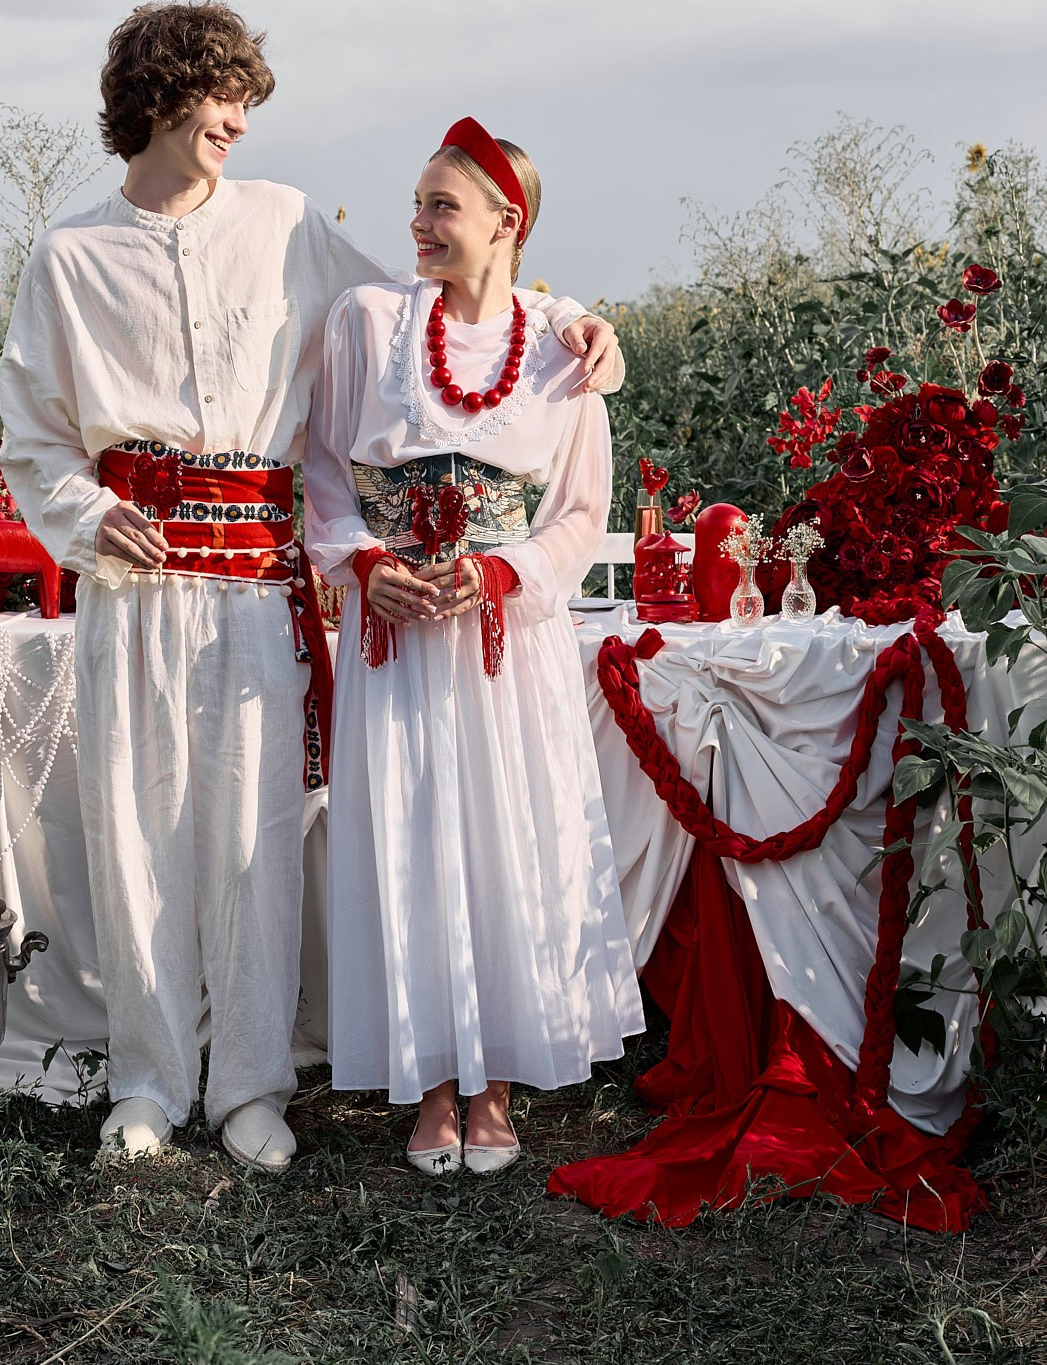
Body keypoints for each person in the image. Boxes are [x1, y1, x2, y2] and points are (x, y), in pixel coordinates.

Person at [0, 3, 621, 1173]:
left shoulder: (285, 223)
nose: (239, 118)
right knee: (136, 831)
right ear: (159, 98)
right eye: (219, 95)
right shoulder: (67, 256)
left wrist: (583, 324)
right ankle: (142, 1080)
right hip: (134, 588)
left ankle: (247, 1085)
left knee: (253, 838)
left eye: (245, 97)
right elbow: (32, 437)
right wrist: (84, 518)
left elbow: (430, 305)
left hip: (254, 588)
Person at [304, 118, 644, 1174]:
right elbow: (320, 473)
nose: (417, 223)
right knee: (406, 837)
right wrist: (363, 565)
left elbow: (581, 512)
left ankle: (492, 1081)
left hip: (504, 637)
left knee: (508, 837)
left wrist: (501, 574)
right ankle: (429, 1079)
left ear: (508, 223)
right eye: (415, 203)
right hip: (394, 634)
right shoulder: (365, 321)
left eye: (440, 207)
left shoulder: (560, 349)